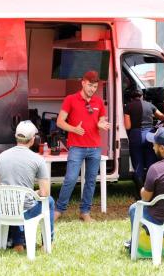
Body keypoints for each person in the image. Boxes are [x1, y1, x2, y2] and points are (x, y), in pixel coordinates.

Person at [54, 70, 110, 222]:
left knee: (91, 181)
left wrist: (101, 124)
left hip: (95, 147)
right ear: (83, 82)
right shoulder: (70, 99)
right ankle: (59, 210)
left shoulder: (98, 102)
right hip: (76, 147)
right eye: (90, 85)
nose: (92, 89)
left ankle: (85, 212)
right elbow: (59, 122)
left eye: (95, 86)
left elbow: (102, 121)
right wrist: (74, 129)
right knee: (71, 179)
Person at [0, 120, 55, 252]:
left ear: (16, 137)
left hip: (3, 209)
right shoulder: (38, 160)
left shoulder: (1, 157)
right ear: (33, 139)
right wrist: (34, 193)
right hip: (25, 210)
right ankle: (47, 243)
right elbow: (45, 193)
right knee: (48, 201)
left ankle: (18, 243)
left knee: (15, 200)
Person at [124, 88, 164, 199]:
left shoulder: (128, 106)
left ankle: (141, 196)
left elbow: (127, 126)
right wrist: (157, 126)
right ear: (142, 96)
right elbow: (162, 116)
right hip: (149, 135)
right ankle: (153, 193)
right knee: (151, 164)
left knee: (138, 166)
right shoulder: (150, 105)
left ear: (132, 97)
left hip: (135, 135)